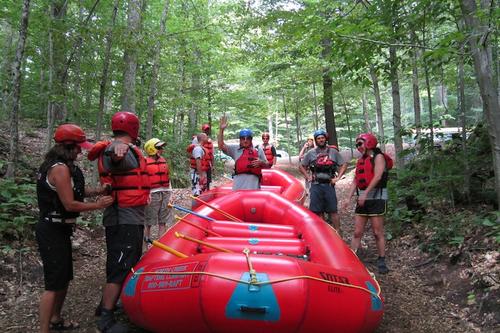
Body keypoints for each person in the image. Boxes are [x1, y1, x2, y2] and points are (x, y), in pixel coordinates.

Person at [36, 124, 114, 333]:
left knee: (64, 277)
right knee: (53, 283)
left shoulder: (63, 166)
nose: (81, 150)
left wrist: (97, 191)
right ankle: (44, 328)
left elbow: (76, 191)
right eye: (79, 147)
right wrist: (98, 205)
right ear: (68, 146)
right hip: (51, 230)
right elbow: (69, 204)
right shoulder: (59, 169)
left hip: (61, 230)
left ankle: (56, 319)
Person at [88, 111, 150, 333]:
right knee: (121, 263)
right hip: (123, 217)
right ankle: (105, 319)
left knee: (122, 260)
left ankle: (107, 304)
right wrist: (117, 150)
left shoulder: (125, 149)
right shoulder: (115, 149)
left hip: (126, 215)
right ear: (134, 128)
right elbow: (115, 156)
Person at [346, 133, 391, 274]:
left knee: (377, 232)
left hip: (377, 199)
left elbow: (377, 176)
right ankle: (351, 259)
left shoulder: (379, 157)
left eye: (360, 144)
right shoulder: (361, 160)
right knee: (357, 232)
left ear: (369, 142)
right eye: (357, 145)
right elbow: (356, 180)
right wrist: (349, 197)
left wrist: (365, 194)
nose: (358, 147)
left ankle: (382, 259)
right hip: (363, 201)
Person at [299, 129, 347, 234]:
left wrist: (338, 177)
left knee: (333, 210)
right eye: (318, 138)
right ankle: (323, 233)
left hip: (329, 185)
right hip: (316, 185)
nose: (321, 140)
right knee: (318, 210)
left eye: (322, 138)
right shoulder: (311, 153)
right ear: (316, 140)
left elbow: (343, 164)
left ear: (325, 139)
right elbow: (302, 166)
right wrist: (308, 176)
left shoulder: (333, 152)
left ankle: (337, 232)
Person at [218, 115, 270, 190]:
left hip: (253, 186)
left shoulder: (258, 149)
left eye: (248, 138)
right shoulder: (235, 149)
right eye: (243, 138)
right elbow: (221, 146)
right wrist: (221, 130)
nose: (245, 140)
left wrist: (262, 162)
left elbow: (268, 165)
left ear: (251, 139)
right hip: (238, 186)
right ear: (240, 139)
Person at [143, 138, 172, 245]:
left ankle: (162, 248)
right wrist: (145, 195)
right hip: (152, 194)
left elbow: (168, 178)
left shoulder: (163, 160)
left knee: (163, 222)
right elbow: (142, 181)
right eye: (159, 147)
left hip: (165, 193)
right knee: (148, 223)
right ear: (152, 149)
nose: (162, 149)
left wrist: (170, 193)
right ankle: (144, 248)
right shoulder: (144, 163)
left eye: (161, 147)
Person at [190, 132, 209, 198]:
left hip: (201, 173)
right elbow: (198, 162)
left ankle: (202, 206)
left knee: (203, 191)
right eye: (206, 137)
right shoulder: (198, 149)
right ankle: (196, 207)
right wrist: (201, 176)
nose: (208, 138)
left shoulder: (201, 148)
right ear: (202, 138)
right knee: (197, 192)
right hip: (197, 174)